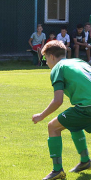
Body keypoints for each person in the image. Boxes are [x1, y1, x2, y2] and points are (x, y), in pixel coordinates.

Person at [32, 40, 91, 180]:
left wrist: (41, 116)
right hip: (85, 107)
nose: (46, 62)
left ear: (52, 56)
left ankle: (57, 170)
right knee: (73, 124)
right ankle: (85, 161)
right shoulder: (79, 62)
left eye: (45, 58)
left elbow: (58, 101)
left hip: (86, 108)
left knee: (53, 127)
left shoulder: (58, 68)